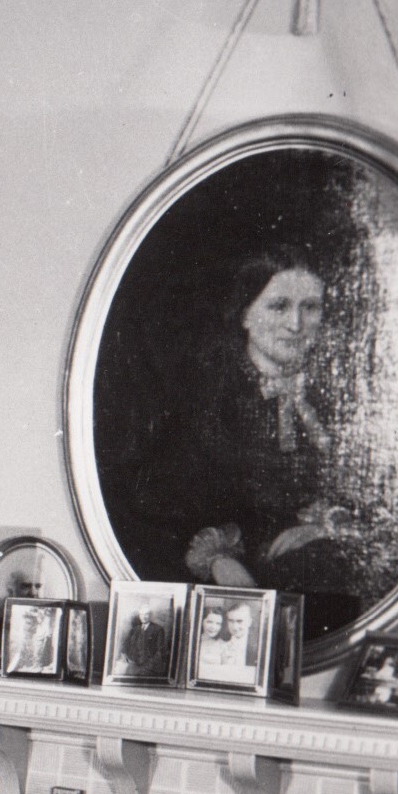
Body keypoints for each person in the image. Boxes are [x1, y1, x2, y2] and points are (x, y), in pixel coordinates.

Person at [122, 246, 365, 631]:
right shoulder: (208, 397)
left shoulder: (343, 399)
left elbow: (361, 491)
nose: (296, 324)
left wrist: (325, 526)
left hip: (312, 577)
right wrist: (218, 558)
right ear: (245, 314)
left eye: (311, 307)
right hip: (227, 583)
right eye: (279, 306)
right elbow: (157, 507)